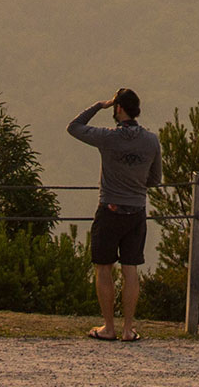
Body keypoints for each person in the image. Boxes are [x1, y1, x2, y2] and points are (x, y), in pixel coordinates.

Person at [68, 88, 162, 342]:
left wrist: (99, 105)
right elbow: (155, 179)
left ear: (118, 108)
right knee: (131, 269)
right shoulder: (151, 141)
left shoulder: (107, 138)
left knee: (104, 268)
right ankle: (128, 329)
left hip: (109, 210)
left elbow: (74, 127)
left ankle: (108, 327)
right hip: (136, 212)